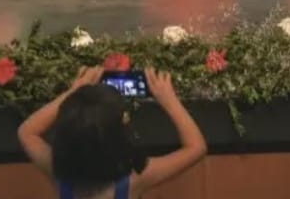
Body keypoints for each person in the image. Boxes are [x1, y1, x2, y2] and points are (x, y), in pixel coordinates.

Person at [18, 65, 207, 198]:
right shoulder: (136, 178)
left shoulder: (57, 170)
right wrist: (168, 99)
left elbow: (27, 132)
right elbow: (196, 147)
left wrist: (73, 93)